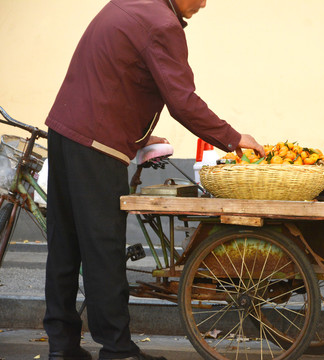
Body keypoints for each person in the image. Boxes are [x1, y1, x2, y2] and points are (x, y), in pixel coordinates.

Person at [43, 1, 265, 360]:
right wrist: (234, 138)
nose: (205, 2)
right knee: (103, 249)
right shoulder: (162, 23)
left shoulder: (128, 5)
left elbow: (110, 77)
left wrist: (137, 135)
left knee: (65, 244)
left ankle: (62, 346)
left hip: (65, 130)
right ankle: (117, 350)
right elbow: (182, 101)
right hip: (96, 145)